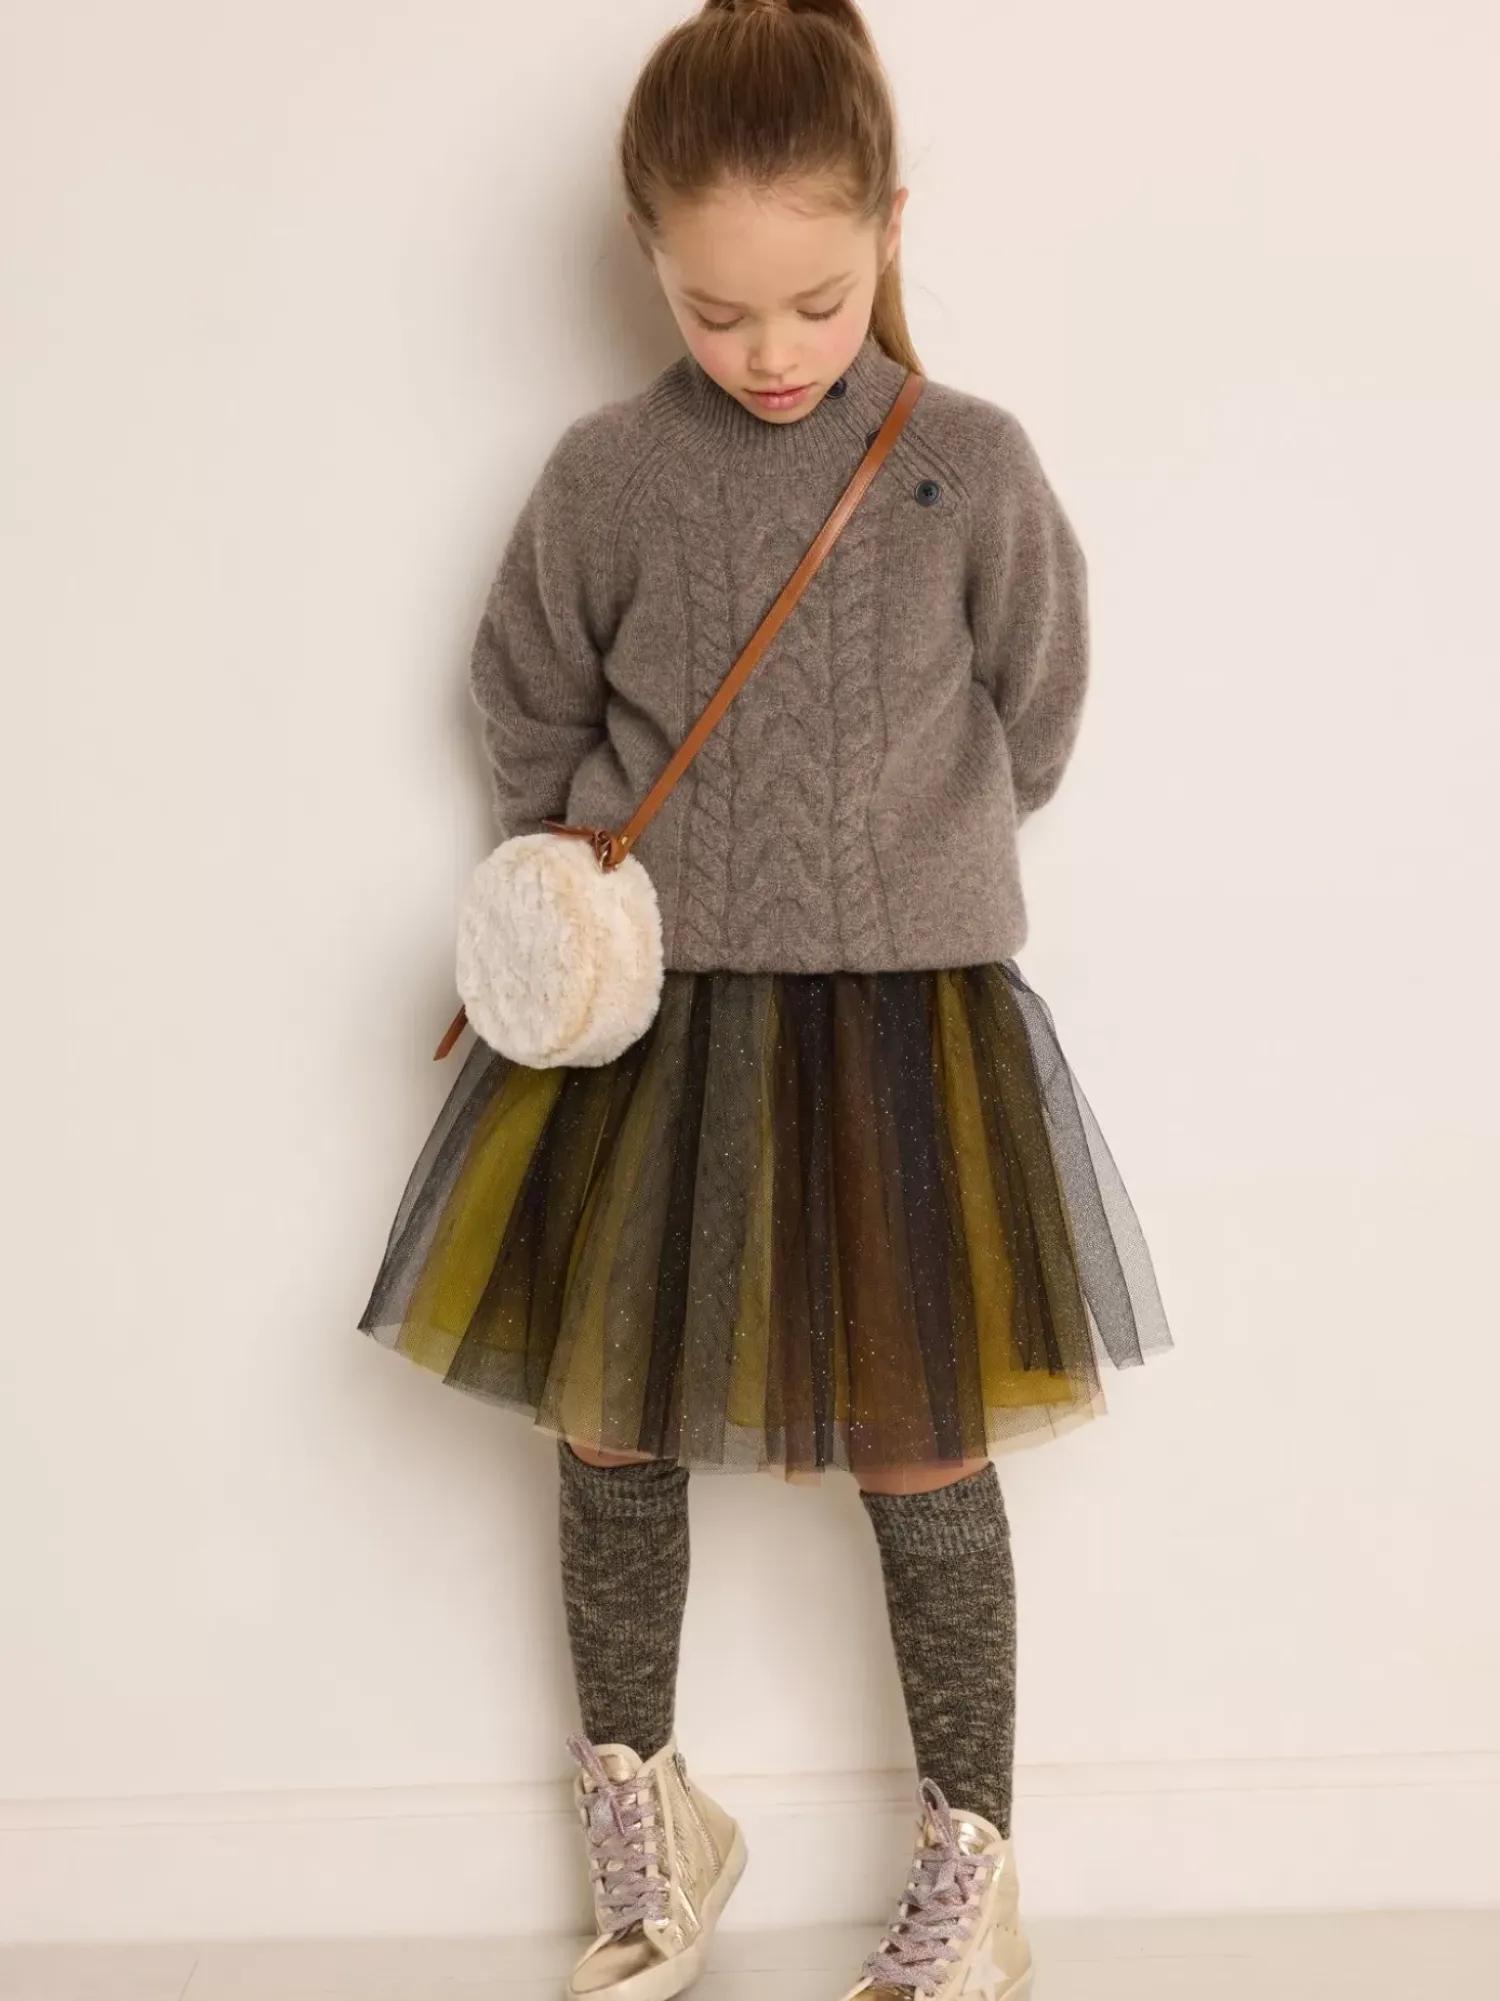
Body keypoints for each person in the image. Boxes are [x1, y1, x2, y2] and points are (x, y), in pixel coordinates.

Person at [358, 3, 1171, 1995]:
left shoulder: (968, 468)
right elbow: (526, 690)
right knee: (609, 1431)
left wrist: (901, 860)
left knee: (921, 1445)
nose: (774, 350)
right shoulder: (613, 472)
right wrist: (580, 880)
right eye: (717, 311)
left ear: (891, 226)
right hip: (659, 1030)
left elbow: (1039, 707)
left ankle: (974, 1862)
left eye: (815, 299)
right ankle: (650, 1827)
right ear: (649, 257)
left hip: (903, 1034)